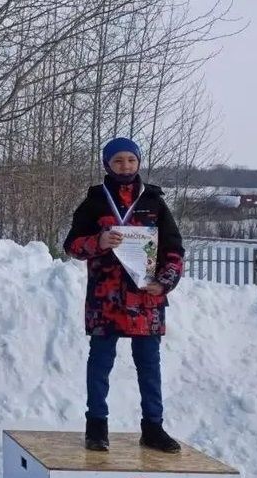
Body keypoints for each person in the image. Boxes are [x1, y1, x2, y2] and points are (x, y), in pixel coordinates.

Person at [63, 137, 184, 453]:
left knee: (149, 365)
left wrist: (165, 281)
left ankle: (153, 428)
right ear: (107, 164)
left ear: (139, 162)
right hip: (106, 300)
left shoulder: (155, 202)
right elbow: (72, 245)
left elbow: (174, 250)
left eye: (131, 160)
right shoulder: (94, 202)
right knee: (100, 364)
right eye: (118, 161)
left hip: (146, 299)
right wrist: (98, 242)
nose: (125, 166)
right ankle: (96, 428)